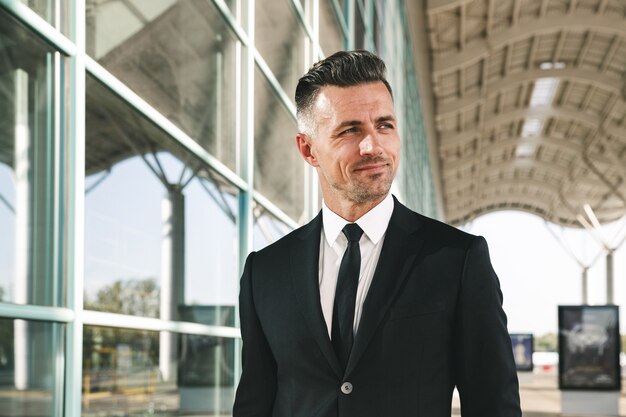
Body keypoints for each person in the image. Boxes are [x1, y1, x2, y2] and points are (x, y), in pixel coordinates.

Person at [233, 50, 521, 417]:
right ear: (308, 149)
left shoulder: (458, 260)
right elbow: (255, 401)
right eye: (350, 130)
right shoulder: (265, 272)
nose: (373, 146)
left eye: (384, 125)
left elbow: (493, 404)